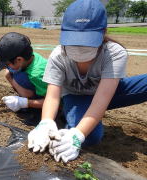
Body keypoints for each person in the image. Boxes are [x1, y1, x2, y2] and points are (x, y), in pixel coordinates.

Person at [27, 0, 147, 163]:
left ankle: (78, 125)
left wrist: (77, 135)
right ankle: (71, 121)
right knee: (90, 137)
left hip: (107, 93)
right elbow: (53, 96)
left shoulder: (114, 53)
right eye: (74, 40)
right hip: (77, 96)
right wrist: (46, 122)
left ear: (103, 32)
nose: (80, 48)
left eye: (87, 41)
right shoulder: (58, 56)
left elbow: (103, 98)